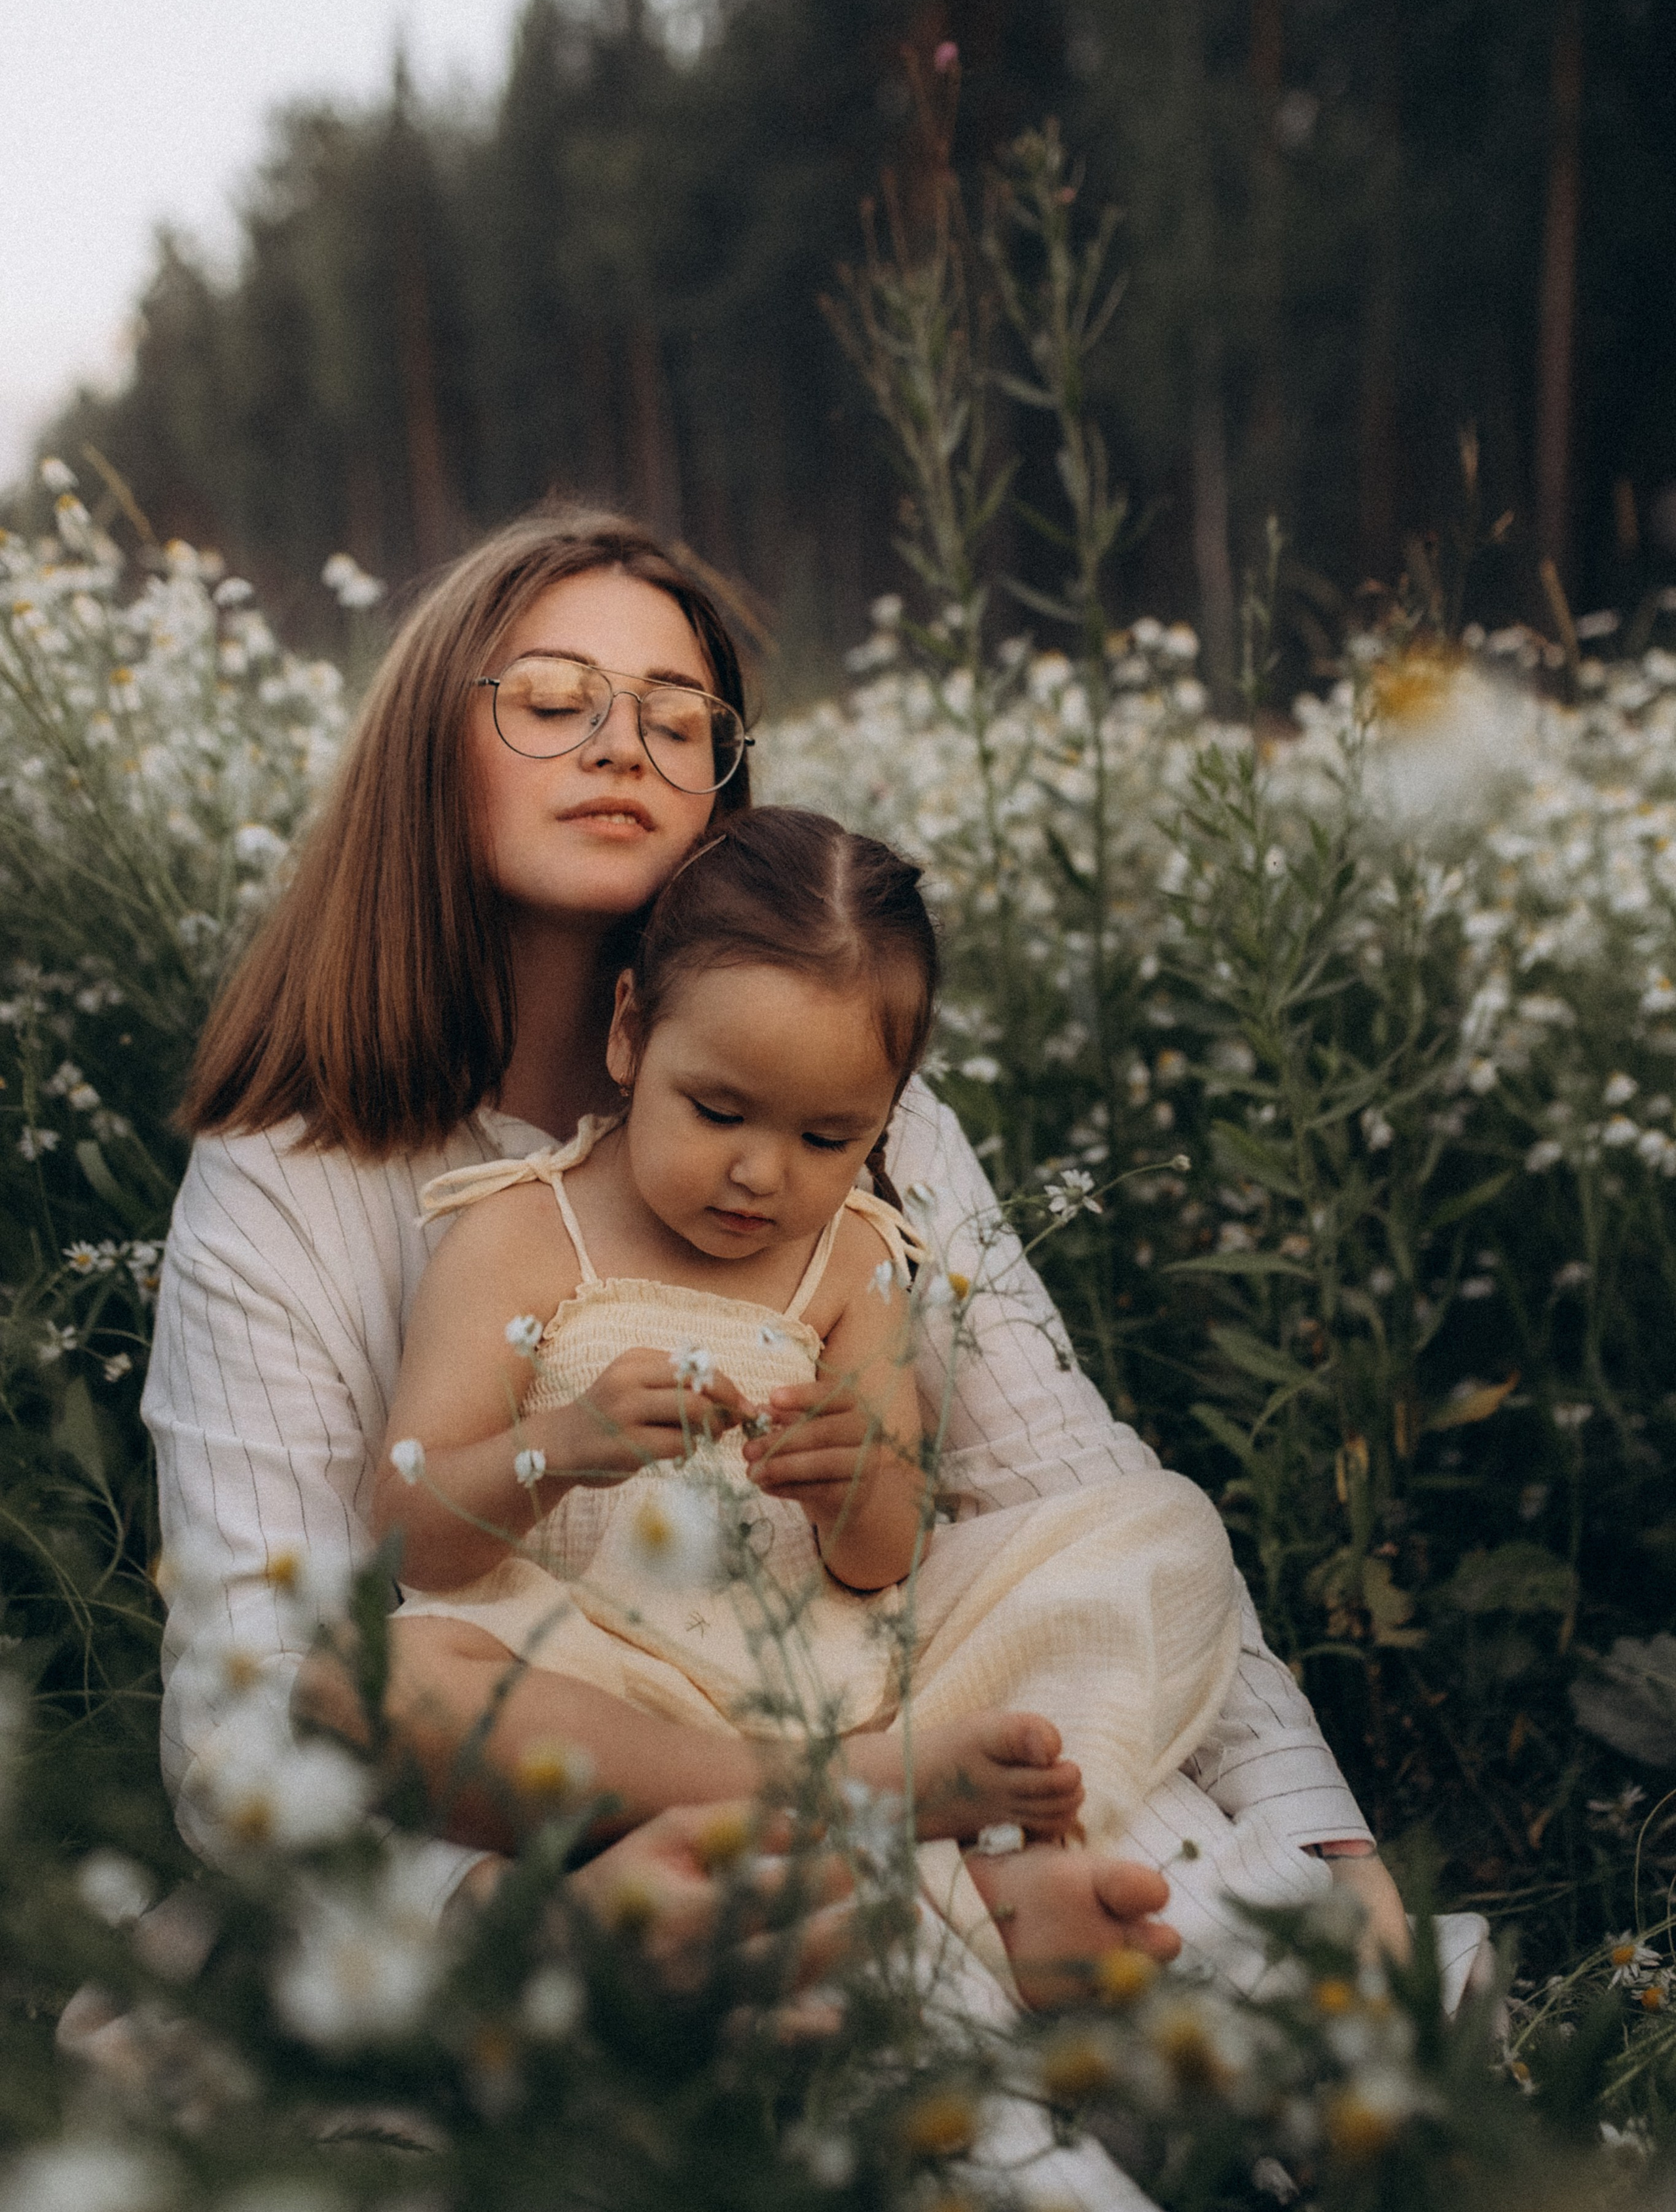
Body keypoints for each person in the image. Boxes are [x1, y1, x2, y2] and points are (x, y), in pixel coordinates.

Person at [144, 503, 1406, 1969]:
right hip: (574, 1755)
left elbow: (1049, 1474)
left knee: (1153, 1554)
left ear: (722, 798)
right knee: (367, 1681)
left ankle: (940, 1869)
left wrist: (1330, 1835)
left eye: (679, 724)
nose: (621, 745)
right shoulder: (293, 1171)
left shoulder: (855, 1117)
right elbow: (248, 1705)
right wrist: (516, 1920)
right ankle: (908, 1849)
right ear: (429, 748)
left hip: (844, 1672)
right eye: (553, 704)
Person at [329, 807, 1244, 2002]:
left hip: (832, 1673)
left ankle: (874, 1831)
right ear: (628, 1038)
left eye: (829, 1136)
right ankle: (890, 1833)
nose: (763, 1175)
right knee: (365, 1687)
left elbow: (884, 1558)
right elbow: (409, 1530)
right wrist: (560, 1444)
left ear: (887, 1116)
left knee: (1166, 1533)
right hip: (598, 1680)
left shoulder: (852, 1258)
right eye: (718, 1113)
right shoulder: (521, 1233)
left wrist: (858, 1487)